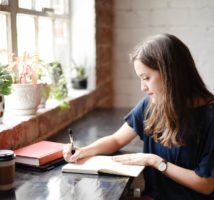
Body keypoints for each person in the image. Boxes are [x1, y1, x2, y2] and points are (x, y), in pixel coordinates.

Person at [63, 33, 214, 200]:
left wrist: (155, 161)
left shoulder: (210, 117)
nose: (143, 87)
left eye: (147, 78)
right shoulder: (151, 104)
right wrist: (84, 151)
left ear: (171, 73)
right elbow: (116, 140)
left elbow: (205, 184)